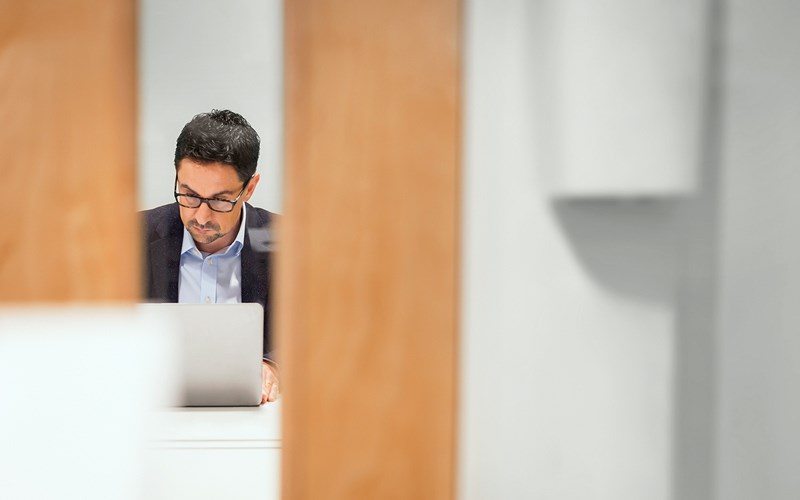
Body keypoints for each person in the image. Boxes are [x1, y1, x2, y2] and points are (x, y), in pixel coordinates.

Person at [141, 109, 278, 404]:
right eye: (189, 194)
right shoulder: (129, 238)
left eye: (219, 200)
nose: (200, 216)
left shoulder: (291, 244)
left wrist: (273, 366)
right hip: (152, 413)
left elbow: (316, 335)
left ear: (250, 189)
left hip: (257, 422)